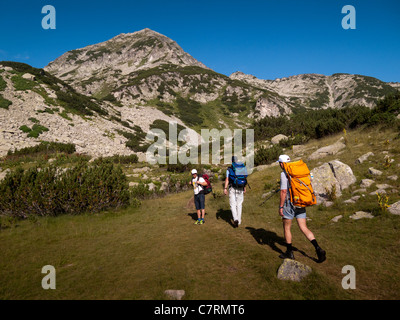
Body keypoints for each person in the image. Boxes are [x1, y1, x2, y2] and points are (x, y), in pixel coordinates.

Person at [278, 154, 326, 262]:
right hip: (301, 202)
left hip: (289, 204)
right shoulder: (299, 171)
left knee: (287, 228)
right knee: (304, 228)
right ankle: (318, 248)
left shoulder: (284, 174)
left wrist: (281, 206)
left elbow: (283, 191)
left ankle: (289, 253)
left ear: (281, 163)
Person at [224, 156, 246, 228]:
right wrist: (244, 187)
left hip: (232, 188)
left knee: (233, 204)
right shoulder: (241, 168)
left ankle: (235, 219)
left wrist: (225, 188)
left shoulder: (229, 169)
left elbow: (227, 179)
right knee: (239, 204)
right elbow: (244, 178)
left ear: (231, 161)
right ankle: (239, 221)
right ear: (237, 160)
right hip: (240, 187)